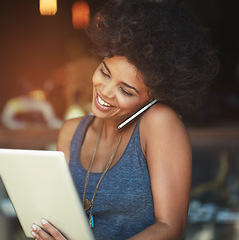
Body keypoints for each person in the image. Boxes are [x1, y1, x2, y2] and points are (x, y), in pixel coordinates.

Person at [30, 0, 219, 239]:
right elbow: (59, 217)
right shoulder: (70, 132)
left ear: (156, 96)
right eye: (104, 73)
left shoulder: (159, 123)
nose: (105, 92)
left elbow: (170, 227)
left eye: (126, 90)